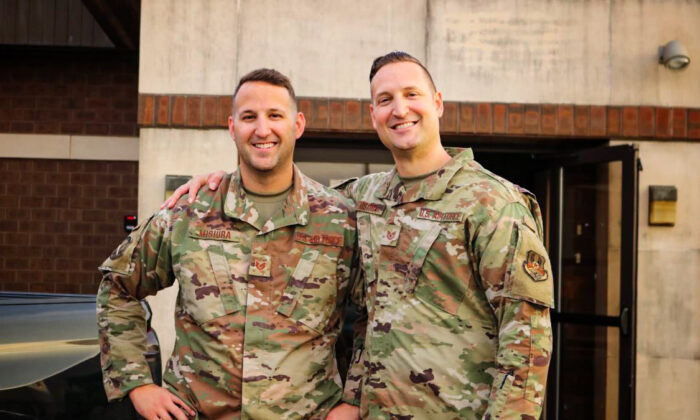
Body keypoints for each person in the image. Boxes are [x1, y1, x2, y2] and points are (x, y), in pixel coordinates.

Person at [168, 52, 554, 420]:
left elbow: (528, 340)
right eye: (385, 100)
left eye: (411, 95)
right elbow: (286, 198)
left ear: (437, 103)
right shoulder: (362, 199)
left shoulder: (492, 202)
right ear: (373, 115)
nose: (399, 109)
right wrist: (218, 185)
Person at [98, 68, 359, 420]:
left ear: (297, 125)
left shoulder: (340, 219)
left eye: (275, 116)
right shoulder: (190, 213)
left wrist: (353, 400)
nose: (262, 129)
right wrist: (137, 384)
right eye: (249, 117)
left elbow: (375, 314)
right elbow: (117, 286)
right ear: (232, 127)